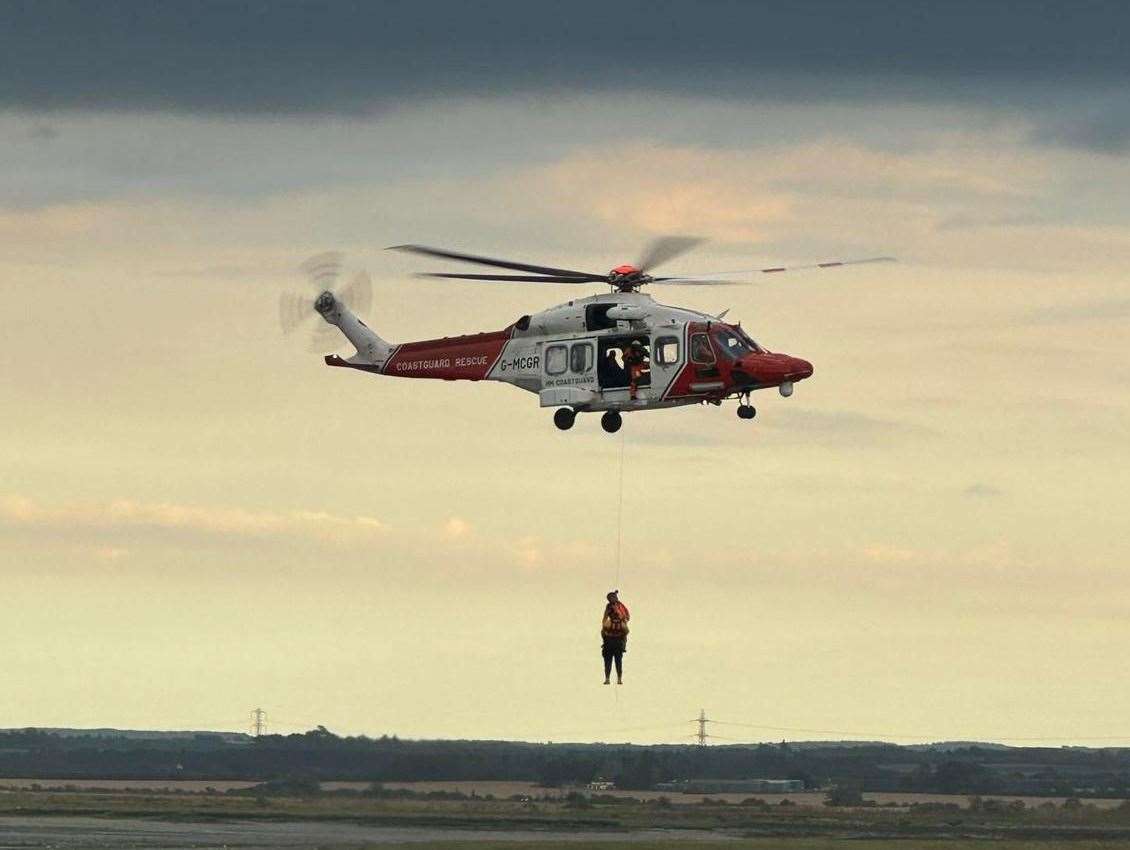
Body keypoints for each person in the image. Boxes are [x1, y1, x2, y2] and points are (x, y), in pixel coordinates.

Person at [601, 590, 630, 685]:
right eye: (611, 598)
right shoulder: (610, 606)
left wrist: (623, 619)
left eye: (613, 597)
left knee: (626, 630)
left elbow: (625, 614)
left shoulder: (619, 605)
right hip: (612, 622)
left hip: (619, 623)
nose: (612, 599)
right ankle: (608, 678)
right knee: (604, 630)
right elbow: (606, 616)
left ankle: (618, 678)